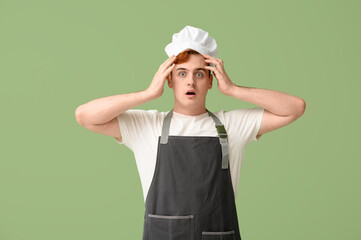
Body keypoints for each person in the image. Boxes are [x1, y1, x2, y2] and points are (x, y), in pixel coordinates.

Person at [75, 25, 306, 240]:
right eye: (182, 73)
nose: (191, 82)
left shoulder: (232, 125)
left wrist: (234, 89)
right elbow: (85, 116)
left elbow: (295, 108)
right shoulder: (147, 125)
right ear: (169, 80)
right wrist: (147, 94)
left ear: (211, 81)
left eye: (199, 74)